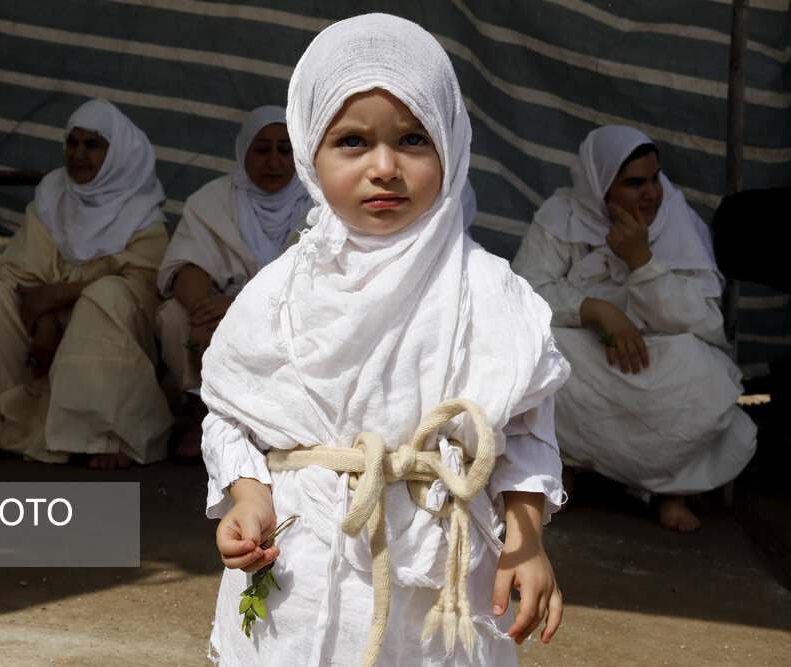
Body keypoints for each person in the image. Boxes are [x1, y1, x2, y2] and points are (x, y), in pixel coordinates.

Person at [201, 14, 569, 665]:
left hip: (442, 586)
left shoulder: (490, 293)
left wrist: (526, 538)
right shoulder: (281, 294)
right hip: (303, 570)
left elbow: (528, 430)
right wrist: (250, 496)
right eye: (351, 141)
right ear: (309, 150)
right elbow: (231, 414)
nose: (384, 166)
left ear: (451, 148)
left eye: (413, 139)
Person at [511, 125, 757, 532]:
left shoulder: (677, 222)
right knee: (538, 357)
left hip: (655, 354)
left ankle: (670, 487)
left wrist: (643, 262)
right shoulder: (562, 217)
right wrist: (598, 310)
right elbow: (523, 294)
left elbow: (705, 322)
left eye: (655, 178)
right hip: (587, 347)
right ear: (599, 187)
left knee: (705, 376)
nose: (651, 192)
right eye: (634, 183)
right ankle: (563, 466)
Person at [0, 99, 172, 468]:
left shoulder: (144, 216)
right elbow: (18, 273)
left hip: (111, 335)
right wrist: (44, 318)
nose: (78, 154)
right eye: (72, 142)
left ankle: (103, 433)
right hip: (43, 330)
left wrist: (60, 295)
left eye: (92, 145)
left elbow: (143, 288)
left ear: (118, 155)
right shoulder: (52, 198)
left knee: (106, 296)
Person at [156, 105, 312, 462]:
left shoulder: (318, 201)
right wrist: (201, 318)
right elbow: (187, 262)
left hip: (290, 308)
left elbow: (320, 278)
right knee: (172, 317)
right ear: (244, 151)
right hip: (214, 310)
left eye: (285, 150)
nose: (274, 161)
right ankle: (202, 422)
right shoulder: (211, 200)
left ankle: (281, 428)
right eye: (262, 149)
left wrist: (241, 304)